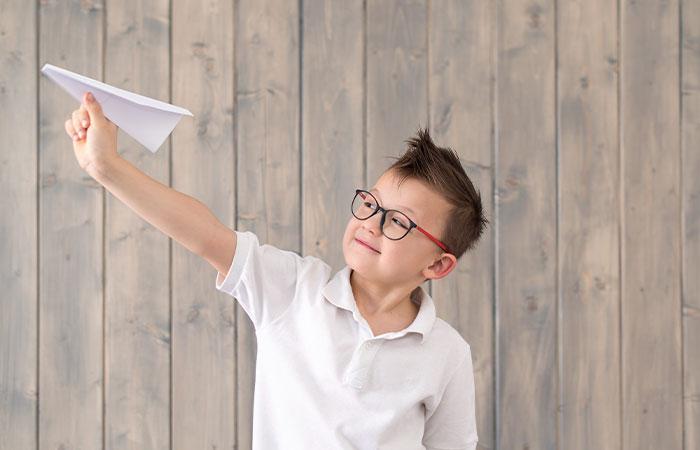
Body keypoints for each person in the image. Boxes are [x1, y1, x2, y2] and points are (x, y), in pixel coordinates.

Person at [64, 90, 488, 449]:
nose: (370, 223)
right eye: (372, 203)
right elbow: (206, 235)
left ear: (438, 264)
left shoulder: (446, 353)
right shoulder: (291, 289)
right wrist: (105, 166)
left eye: (398, 221)